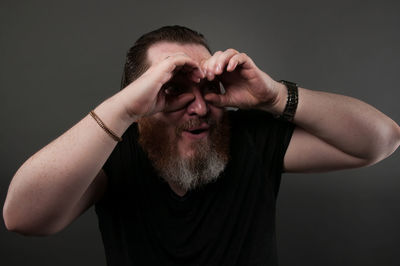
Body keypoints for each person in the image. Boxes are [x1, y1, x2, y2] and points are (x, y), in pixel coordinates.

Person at [3, 25, 400, 265]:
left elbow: (380, 141)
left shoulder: (248, 136)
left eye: (207, 88)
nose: (197, 106)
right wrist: (124, 109)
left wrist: (274, 97)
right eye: (172, 89)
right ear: (141, 96)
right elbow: (23, 218)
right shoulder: (114, 151)